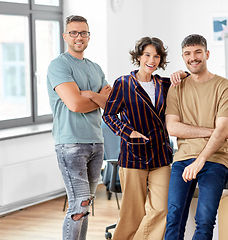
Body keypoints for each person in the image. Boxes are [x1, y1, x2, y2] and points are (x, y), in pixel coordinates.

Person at [102, 37, 188, 240]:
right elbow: (109, 115)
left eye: (156, 56)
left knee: (161, 209)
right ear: (139, 57)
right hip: (133, 156)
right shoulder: (124, 83)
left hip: (161, 156)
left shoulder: (164, 84)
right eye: (147, 55)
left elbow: (190, 79)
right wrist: (128, 132)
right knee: (132, 215)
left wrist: (182, 73)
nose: (152, 60)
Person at [164, 34, 228, 240]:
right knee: (174, 216)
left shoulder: (226, 87)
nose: (193, 57)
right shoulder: (176, 87)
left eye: (197, 52)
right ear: (183, 57)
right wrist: (212, 131)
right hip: (183, 158)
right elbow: (172, 127)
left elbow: (223, 128)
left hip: (214, 160)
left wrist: (200, 160)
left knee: (204, 220)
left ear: (207, 54)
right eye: (188, 53)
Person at [47, 15, 111, 240]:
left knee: (85, 206)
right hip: (70, 142)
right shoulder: (59, 65)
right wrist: (97, 98)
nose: (79, 37)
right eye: (73, 32)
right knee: (79, 204)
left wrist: (90, 95)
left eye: (83, 33)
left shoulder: (95, 68)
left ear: (89, 36)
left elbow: (110, 104)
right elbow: (74, 104)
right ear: (65, 36)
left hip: (96, 141)